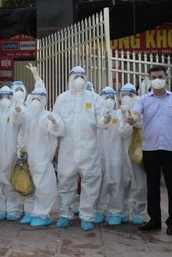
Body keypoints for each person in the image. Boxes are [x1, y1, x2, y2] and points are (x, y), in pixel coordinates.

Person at [128, 65, 172, 235]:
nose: (157, 80)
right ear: (149, 79)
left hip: (171, 148)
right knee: (152, 185)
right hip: (150, 148)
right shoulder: (143, 100)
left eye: (160, 76)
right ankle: (154, 219)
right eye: (154, 77)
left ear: (166, 78)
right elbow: (134, 115)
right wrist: (131, 119)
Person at [53, 66, 106, 231]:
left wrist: (106, 119)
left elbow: (101, 121)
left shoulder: (95, 98)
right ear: (70, 78)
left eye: (82, 76)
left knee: (91, 183)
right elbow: (56, 120)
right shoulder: (62, 99)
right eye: (76, 76)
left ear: (86, 78)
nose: (79, 79)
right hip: (68, 149)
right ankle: (65, 214)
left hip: (89, 149)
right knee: (65, 183)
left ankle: (87, 216)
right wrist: (54, 123)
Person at [15, 87, 64, 227]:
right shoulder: (28, 116)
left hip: (43, 158)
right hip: (29, 157)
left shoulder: (48, 116)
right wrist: (21, 148)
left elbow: (59, 131)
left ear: (44, 101)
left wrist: (55, 122)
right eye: (34, 98)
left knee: (43, 186)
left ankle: (42, 215)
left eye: (39, 99)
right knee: (28, 185)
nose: (36, 102)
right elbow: (22, 133)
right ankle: (30, 212)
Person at [95, 86, 132, 226]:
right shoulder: (97, 114)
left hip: (116, 155)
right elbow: (96, 127)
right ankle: (99, 210)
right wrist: (104, 120)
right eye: (106, 98)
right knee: (100, 184)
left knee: (116, 183)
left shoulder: (118, 114)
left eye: (112, 98)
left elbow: (125, 132)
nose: (109, 101)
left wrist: (123, 117)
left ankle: (115, 212)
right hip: (100, 155)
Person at [0, 86, 22, 221]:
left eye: (8, 97)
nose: (4, 100)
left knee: (12, 182)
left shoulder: (15, 113)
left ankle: (13, 209)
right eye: (1, 97)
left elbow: (21, 130)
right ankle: (0, 208)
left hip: (12, 155)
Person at [120, 83, 147, 225]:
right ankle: (123, 210)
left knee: (140, 181)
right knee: (124, 180)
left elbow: (140, 123)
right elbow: (121, 131)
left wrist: (132, 118)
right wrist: (124, 117)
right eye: (123, 95)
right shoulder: (119, 112)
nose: (126, 98)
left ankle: (140, 212)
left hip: (137, 151)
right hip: (123, 151)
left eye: (129, 95)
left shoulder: (140, 108)